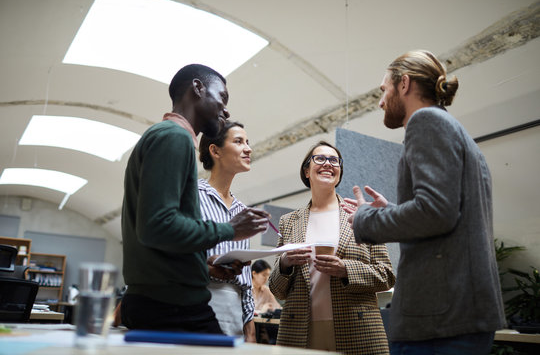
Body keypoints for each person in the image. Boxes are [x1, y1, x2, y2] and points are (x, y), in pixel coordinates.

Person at [342, 50, 506, 354]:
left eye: (383, 90)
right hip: (457, 313)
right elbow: (443, 212)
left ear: (404, 84)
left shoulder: (425, 121)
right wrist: (392, 212)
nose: (380, 101)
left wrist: (367, 219)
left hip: (440, 318)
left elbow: (435, 212)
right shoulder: (451, 128)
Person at [121, 64, 269, 334]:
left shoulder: (163, 136)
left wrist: (203, 265)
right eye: (222, 98)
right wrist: (230, 229)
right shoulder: (174, 138)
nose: (226, 110)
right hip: (172, 305)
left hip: (159, 301)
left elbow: (160, 237)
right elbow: (157, 226)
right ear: (198, 88)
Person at [268, 140, 396, 354]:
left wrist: (345, 269)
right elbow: (277, 289)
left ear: (339, 172)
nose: (328, 163)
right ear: (307, 171)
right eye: (320, 158)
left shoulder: (360, 214)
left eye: (334, 160)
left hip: (358, 328)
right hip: (300, 330)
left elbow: (387, 276)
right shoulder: (289, 221)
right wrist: (285, 262)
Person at [198, 120, 256, 341]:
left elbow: (247, 282)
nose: (248, 148)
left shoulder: (243, 211)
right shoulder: (192, 196)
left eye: (248, 142)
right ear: (215, 150)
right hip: (198, 303)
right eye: (239, 141)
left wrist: (250, 330)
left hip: (235, 314)